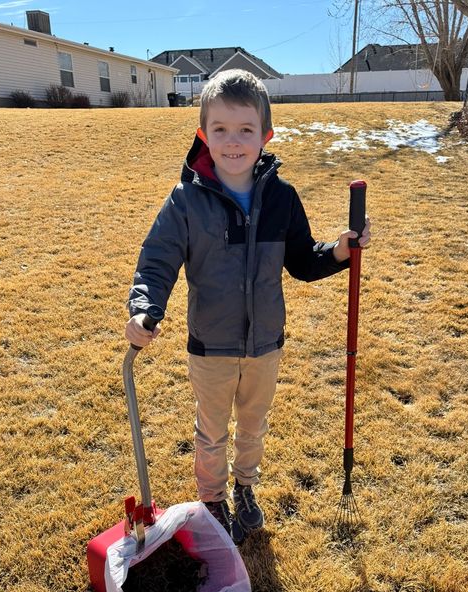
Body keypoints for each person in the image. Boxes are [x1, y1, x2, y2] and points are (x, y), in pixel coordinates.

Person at [126, 69, 371, 545]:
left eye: (245, 130)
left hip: (265, 345)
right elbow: (156, 261)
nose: (232, 142)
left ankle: (245, 487)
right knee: (212, 432)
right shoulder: (185, 202)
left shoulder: (281, 198)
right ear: (203, 134)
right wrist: (143, 308)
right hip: (210, 347)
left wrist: (339, 252)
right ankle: (213, 500)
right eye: (220, 130)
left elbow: (302, 260)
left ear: (265, 135)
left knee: (252, 428)